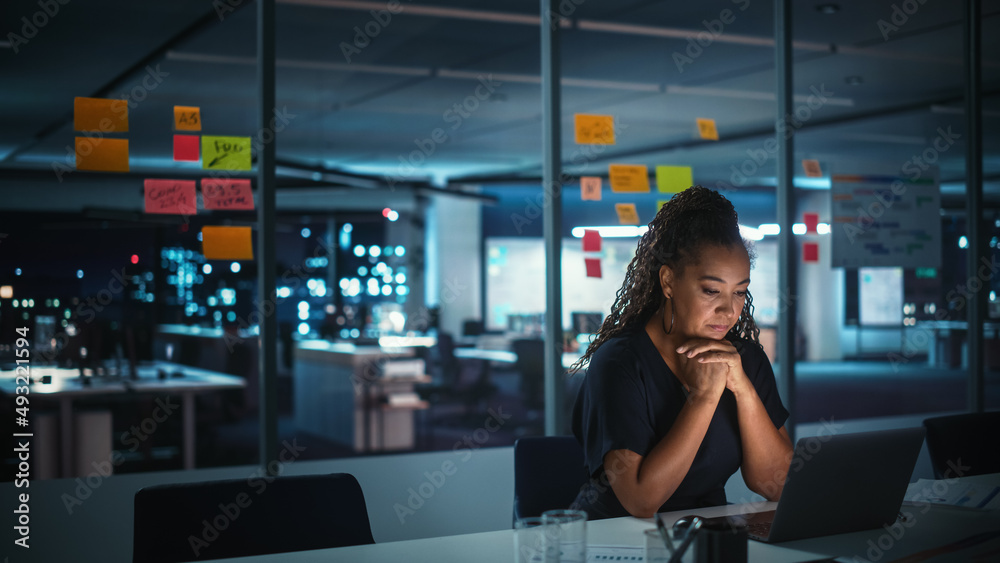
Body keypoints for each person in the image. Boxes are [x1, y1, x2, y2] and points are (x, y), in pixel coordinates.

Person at [568, 186, 793, 520]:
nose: (728, 310)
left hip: (705, 530)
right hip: (616, 537)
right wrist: (703, 397)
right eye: (711, 291)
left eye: (739, 293)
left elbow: (777, 485)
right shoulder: (620, 362)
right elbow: (641, 501)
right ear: (669, 281)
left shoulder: (744, 359)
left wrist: (743, 389)